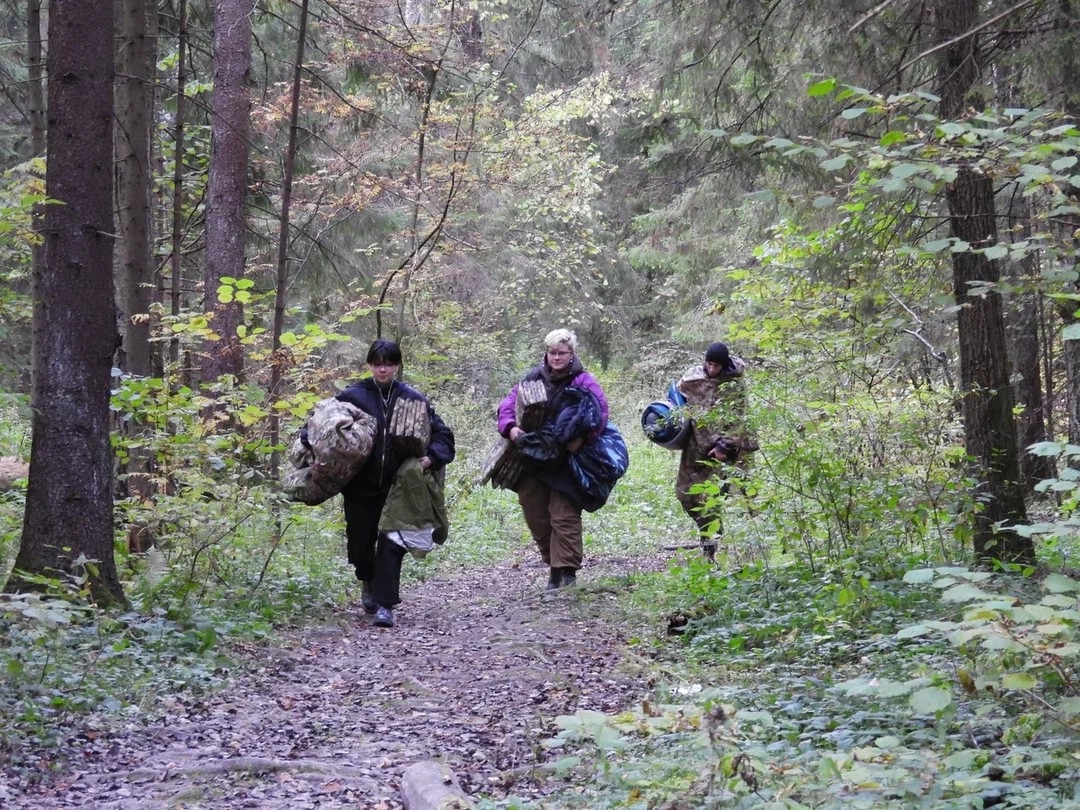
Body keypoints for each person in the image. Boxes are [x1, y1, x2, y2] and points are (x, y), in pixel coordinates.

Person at [335, 339, 455, 627]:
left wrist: (430, 459)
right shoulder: (352, 396)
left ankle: (385, 605)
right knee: (361, 546)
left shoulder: (414, 399)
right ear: (370, 365)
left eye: (389, 363)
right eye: (377, 363)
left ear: (397, 365)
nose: (383, 369)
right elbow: (319, 427)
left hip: (399, 486)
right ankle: (367, 579)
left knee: (392, 542)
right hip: (360, 485)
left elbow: (444, 437)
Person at [497, 329, 610, 590]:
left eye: (561, 353)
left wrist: (583, 439)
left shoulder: (584, 382)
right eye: (552, 352)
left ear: (571, 354)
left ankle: (565, 572)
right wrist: (511, 428)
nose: (556, 357)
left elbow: (600, 412)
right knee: (535, 512)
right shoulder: (533, 378)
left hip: (568, 461)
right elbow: (508, 405)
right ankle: (553, 564)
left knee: (564, 515)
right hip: (533, 458)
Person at [675, 342, 755, 561]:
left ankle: (722, 549)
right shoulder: (693, 378)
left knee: (733, 496)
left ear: (724, 364)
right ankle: (710, 533)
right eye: (709, 364)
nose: (712, 369)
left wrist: (724, 446)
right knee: (685, 493)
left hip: (730, 450)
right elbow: (675, 399)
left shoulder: (733, 383)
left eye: (716, 366)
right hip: (698, 444)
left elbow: (740, 417)